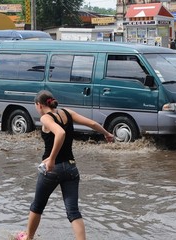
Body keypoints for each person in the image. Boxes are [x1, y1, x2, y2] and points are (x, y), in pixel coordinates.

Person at [21, 90, 115, 240]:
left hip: (52, 170)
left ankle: (28, 237)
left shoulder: (46, 118)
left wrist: (51, 159)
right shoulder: (67, 112)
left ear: (39, 105)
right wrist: (106, 133)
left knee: (37, 206)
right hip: (71, 168)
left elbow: (60, 133)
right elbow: (91, 123)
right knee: (73, 211)